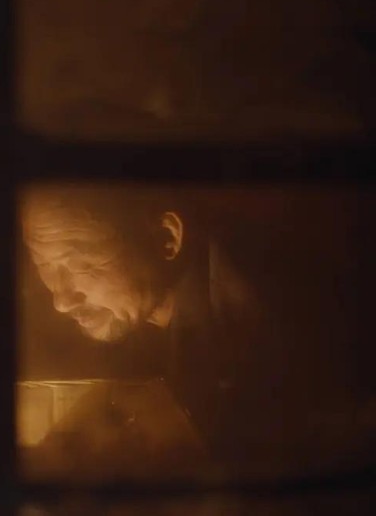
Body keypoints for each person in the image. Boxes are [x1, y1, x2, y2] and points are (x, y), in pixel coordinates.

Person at [21, 185, 375, 475]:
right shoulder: (143, 320)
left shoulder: (264, 333)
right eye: (45, 268)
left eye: (80, 265)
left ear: (167, 238)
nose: (61, 301)